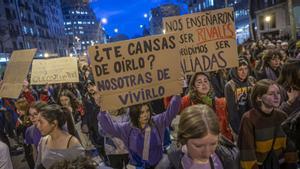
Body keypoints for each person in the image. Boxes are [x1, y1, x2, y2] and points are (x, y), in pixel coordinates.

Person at [97, 95, 181, 169]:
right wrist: (102, 110)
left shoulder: (157, 122)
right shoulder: (127, 128)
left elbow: (171, 112)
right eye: (141, 112)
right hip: (138, 166)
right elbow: (109, 127)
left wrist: (177, 95)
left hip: (159, 165)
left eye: (147, 111)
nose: (145, 115)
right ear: (134, 113)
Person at [238, 79, 298, 169]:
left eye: (278, 93)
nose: (277, 97)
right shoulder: (249, 119)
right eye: (271, 94)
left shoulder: (282, 116)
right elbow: (247, 154)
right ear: (259, 97)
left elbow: (290, 147)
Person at [167, 104, 239, 169]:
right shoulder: (169, 164)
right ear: (184, 139)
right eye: (198, 146)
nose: (207, 153)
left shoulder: (229, 157)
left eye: (213, 144)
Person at [35, 104, 84, 169]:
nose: (38, 126)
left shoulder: (72, 143)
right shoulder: (43, 141)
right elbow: (38, 164)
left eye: (41, 122)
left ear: (54, 123)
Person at [225, 57, 254, 139]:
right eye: (240, 69)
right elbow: (232, 110)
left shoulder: (251, 81)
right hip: (238, 122)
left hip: (251, 121)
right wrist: (238, 129)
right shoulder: (230, 85)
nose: (243, 72)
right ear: (235, 71)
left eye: (245, 68)